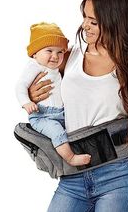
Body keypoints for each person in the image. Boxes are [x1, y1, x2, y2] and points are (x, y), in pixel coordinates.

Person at [28, 0, 128, 212]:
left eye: (94, 21)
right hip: (72, 177)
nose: (85, 26)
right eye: (84, 17)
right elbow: (41, 91)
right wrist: (32, 94)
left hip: (119, 178)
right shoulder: (68, 58)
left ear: (116, 23)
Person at [15, 22, 91, 166]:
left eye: (60, 52)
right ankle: (70, 158)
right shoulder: (34, 66)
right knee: (57, 132)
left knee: (69, 133)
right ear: (35, 53)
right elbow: (21, 85)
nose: (55, 56)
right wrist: (27, 102)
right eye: (49, 51)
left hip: (60, 113)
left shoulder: (57, 68)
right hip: (43, 115)